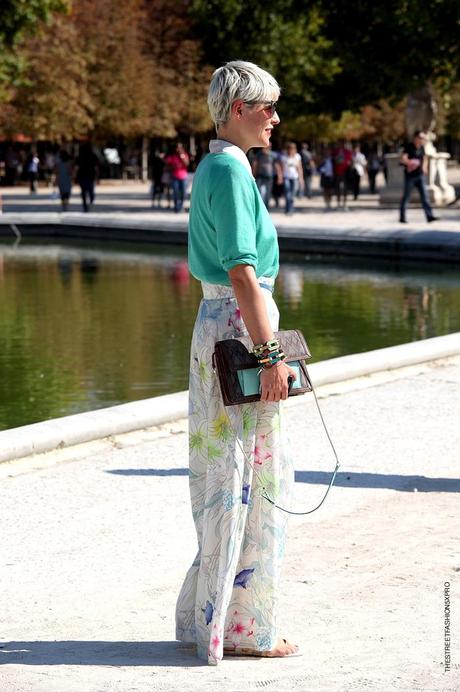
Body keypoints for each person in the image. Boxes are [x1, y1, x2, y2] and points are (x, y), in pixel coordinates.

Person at [176, 60, 300, 665]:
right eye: (267, 107)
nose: (276, 118)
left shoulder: (221, 166)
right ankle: (244, 627)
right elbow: (243, 272)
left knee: (229, 477)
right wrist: (271, 354)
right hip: (238, 333)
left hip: (220, 328)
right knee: (250, 480)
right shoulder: (228, 169)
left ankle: (217, 618)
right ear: (237, 109)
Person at [399, 131, 438, 224]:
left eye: (424, 138)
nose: (422, 140)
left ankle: (429, 216)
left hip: (420, 175)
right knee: (406, 197)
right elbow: (403, 158)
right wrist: (411, 163)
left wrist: (424, 167)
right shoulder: (408, 147)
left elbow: (425, 158)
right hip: (410, 176)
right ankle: (402, 217)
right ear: (416, 138)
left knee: (425, 197)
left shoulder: (422, 147)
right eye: (421, 138)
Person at [165, 142, 189, 212]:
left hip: (183, 177)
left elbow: (187, 164)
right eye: (177, 148)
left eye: (180, 148)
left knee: (183, 193)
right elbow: (166, 163)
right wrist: (172, 166)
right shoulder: (173, 156)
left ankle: (180, 206)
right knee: (175, 193)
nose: (178, 149)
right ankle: (176, 207)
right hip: (175, 176)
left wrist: (182, 157)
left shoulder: (184, 155)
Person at [75, 142, 99, 212]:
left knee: (83, 191)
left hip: (81, 175)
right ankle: (91, 199)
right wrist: (97, 176)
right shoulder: (93, 156)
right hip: (90, 175)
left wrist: (74, 176)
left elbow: (76, 168)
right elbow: (96, 168)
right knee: (90, 189)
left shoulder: (79, 157)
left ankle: (85, 205)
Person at [281, 142, 303, 214]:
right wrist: (280, 177)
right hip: (286, 177)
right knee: (287, 194)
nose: (291, 150)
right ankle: (288, 209)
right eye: (290, 149)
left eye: (293, 149)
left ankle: (290, 208)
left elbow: (299, 168)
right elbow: (282, 168)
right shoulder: (284, 157)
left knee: (292, 195)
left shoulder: (297, 156)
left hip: (294, 177)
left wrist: (301, 178)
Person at [332, 140, 352, 209]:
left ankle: (344, 203)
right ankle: (338, 203)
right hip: (337, 172)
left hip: (345, 172)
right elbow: (333, 161)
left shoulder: (347, 152)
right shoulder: (335, 152)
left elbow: (350, 161)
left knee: (345, 189)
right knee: (337, 189)